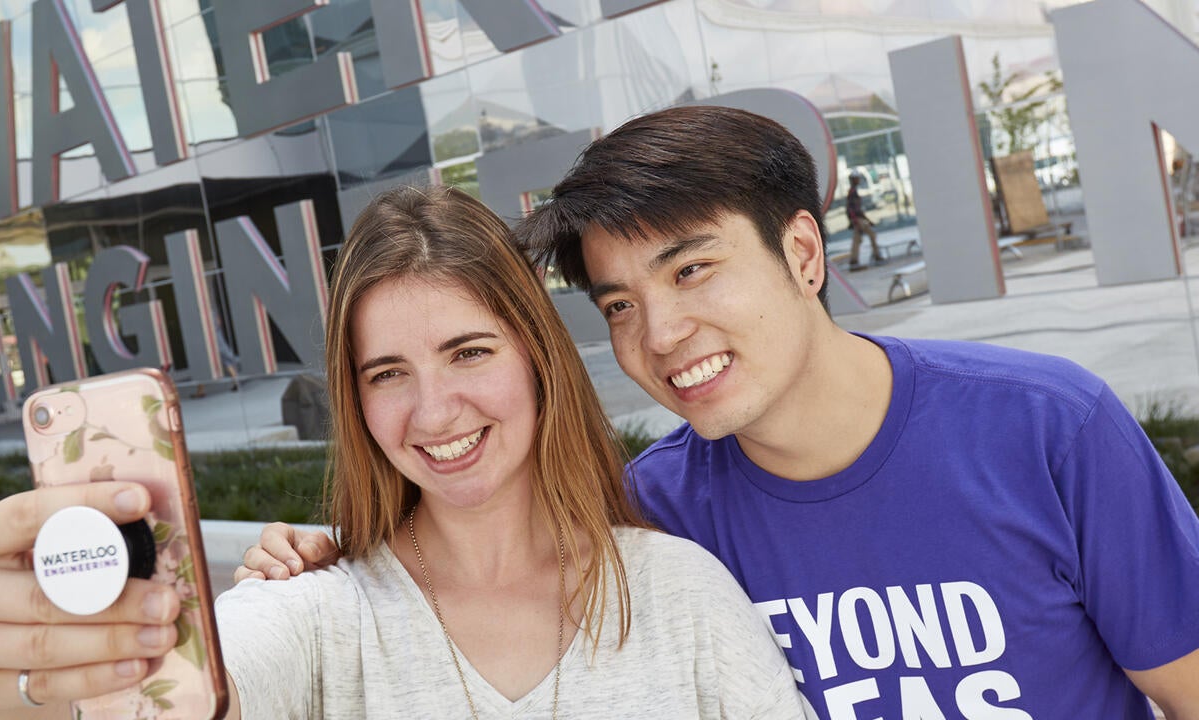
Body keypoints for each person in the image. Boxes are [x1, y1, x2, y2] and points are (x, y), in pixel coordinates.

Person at [242, 107, 1199, 718]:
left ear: (804, 254)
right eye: (618, 304)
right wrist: (325, 558)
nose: (660, 333)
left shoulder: (1044, 431)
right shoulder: (657, 510)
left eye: (693, 268)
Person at [0, 185, 807, 719]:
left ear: (537, 355)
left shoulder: (678, 591)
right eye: (387, 372)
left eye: (468, 352)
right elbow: (194, 693)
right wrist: (4, 678)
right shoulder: (314, 612)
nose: (433, 410)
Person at [845, 171, 883, 271]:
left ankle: (855, 261)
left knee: (858, 239)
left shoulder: (853, 191)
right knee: (869, 235)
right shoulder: (852, 192)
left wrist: (867, 220)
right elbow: (851, 209)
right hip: (858, 220)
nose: (858, 180)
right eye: (857, 178)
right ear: (853, 180)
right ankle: (875, 256)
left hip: (858, 219)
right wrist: (855, 220)